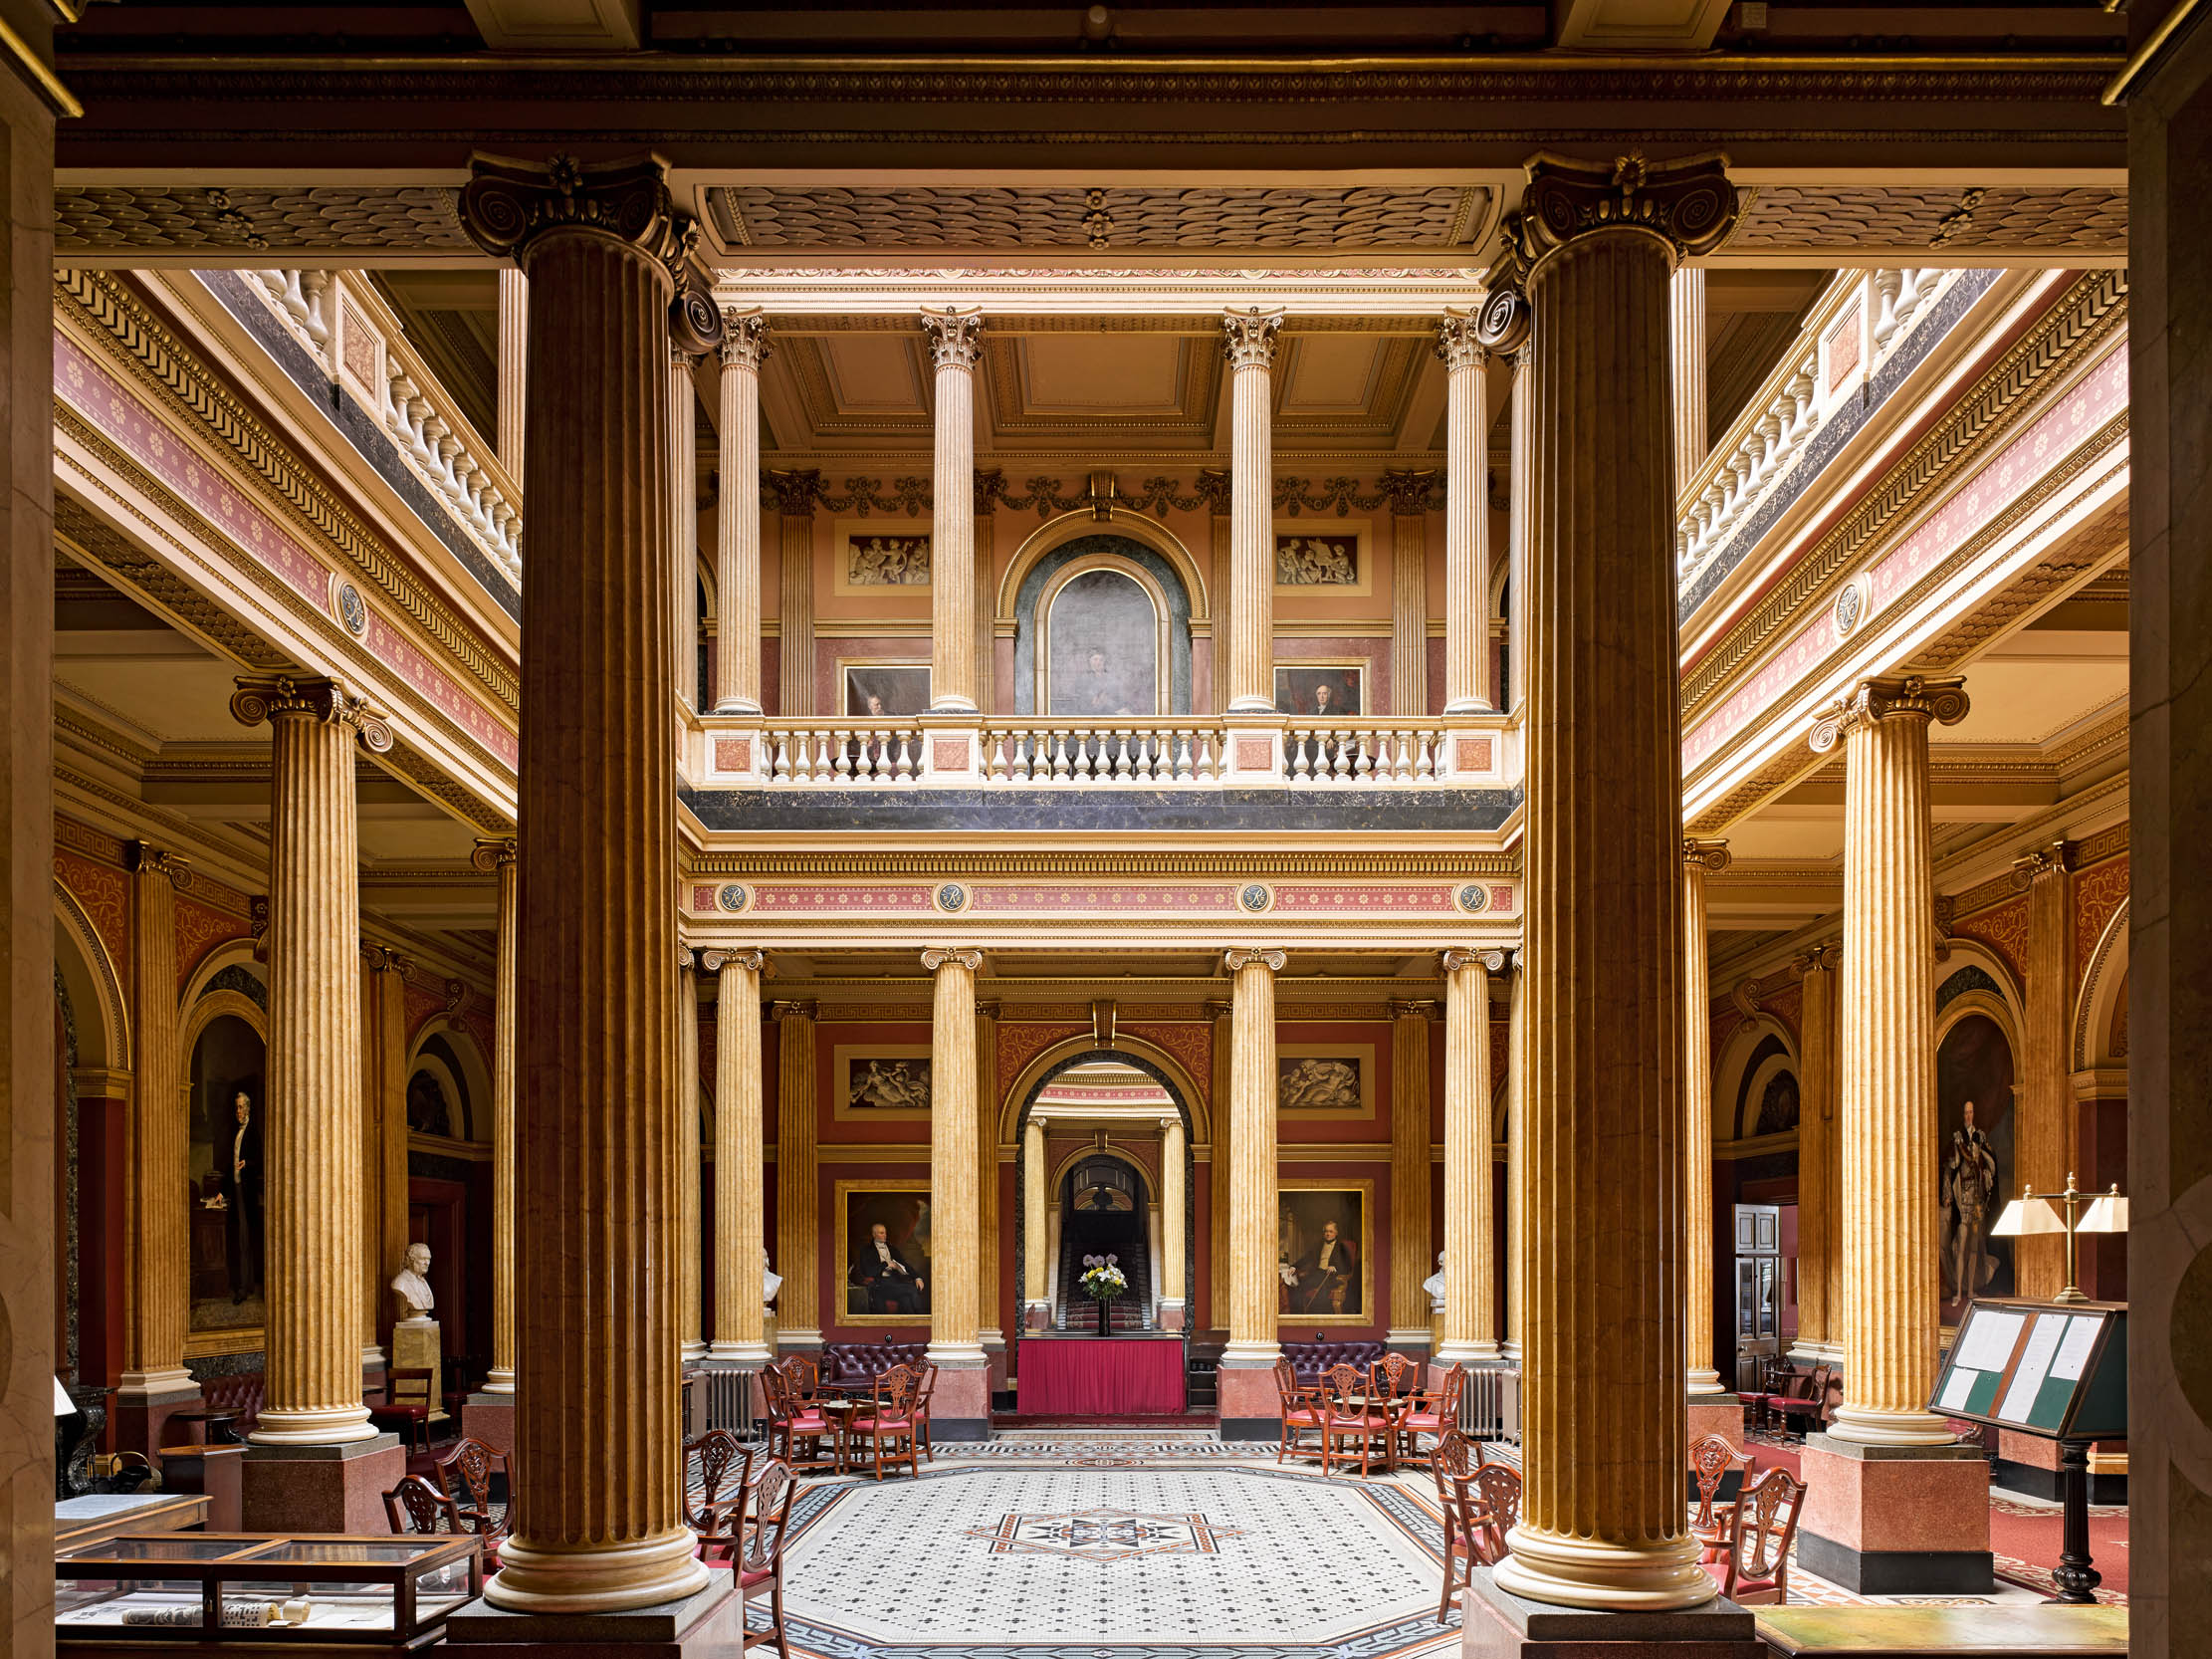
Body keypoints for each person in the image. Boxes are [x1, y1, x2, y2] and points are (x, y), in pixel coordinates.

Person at [1940, 1099, 2001, 1304]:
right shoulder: (1957, 1140)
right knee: (1961, 1244)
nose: (1968, 1116)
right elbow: (1951, 1167)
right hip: (1961, 1200)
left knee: (1974, 1247)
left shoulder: (1979, 1139)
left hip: (1977, 1200)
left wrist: (1986, 1173)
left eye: (1971, 1112)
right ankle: (1958, 1291)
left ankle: (1971, 1290)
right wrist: (1947, 1192)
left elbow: (1988, 1165)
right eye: (1965, 1112)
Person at [217, 1089, 263, 1304]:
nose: (238, 1111)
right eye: (236, 1107)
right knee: (238, 1239)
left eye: (241, 1107)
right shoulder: (236, 1132)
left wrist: (248, 1165)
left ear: (248, 1108)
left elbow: (259, 1161)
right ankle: (243, 1285)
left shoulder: (252, 1131)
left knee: (244, 1240)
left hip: (246, 1192)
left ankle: (244, 1288)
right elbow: (230, 1166)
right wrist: (221, 1192)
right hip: (235, 1191)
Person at [850, 1220, 926, 1315]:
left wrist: (917, 1277)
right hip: (879, 1285)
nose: (885, 1235)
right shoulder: (866, 1251)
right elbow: (868, 1272)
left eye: (885, 1233)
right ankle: (923, 1318)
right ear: (874, 1234)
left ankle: (916, 1324)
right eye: (881, 1233)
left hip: (895, 1283)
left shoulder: (892, 1248)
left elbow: (904, 1264)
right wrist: (886, 1264)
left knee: (906, 1301)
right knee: (912, 1289)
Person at [1291, 1220, 1359, 1315]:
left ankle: (1320, 1318)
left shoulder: (1342, 1247)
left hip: (1331, 1276)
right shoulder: (1318, 1245)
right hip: (1317, 1274)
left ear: (1336, 1233)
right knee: (1298, 1289)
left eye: (1331, 1231)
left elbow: (1348, 1266)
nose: (1328, 1234)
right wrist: (1294, 1266)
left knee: (1322, 1294)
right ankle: (1299, 1317)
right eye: (1326, 1231)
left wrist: (1335, 1268)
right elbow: (1307, 1257)